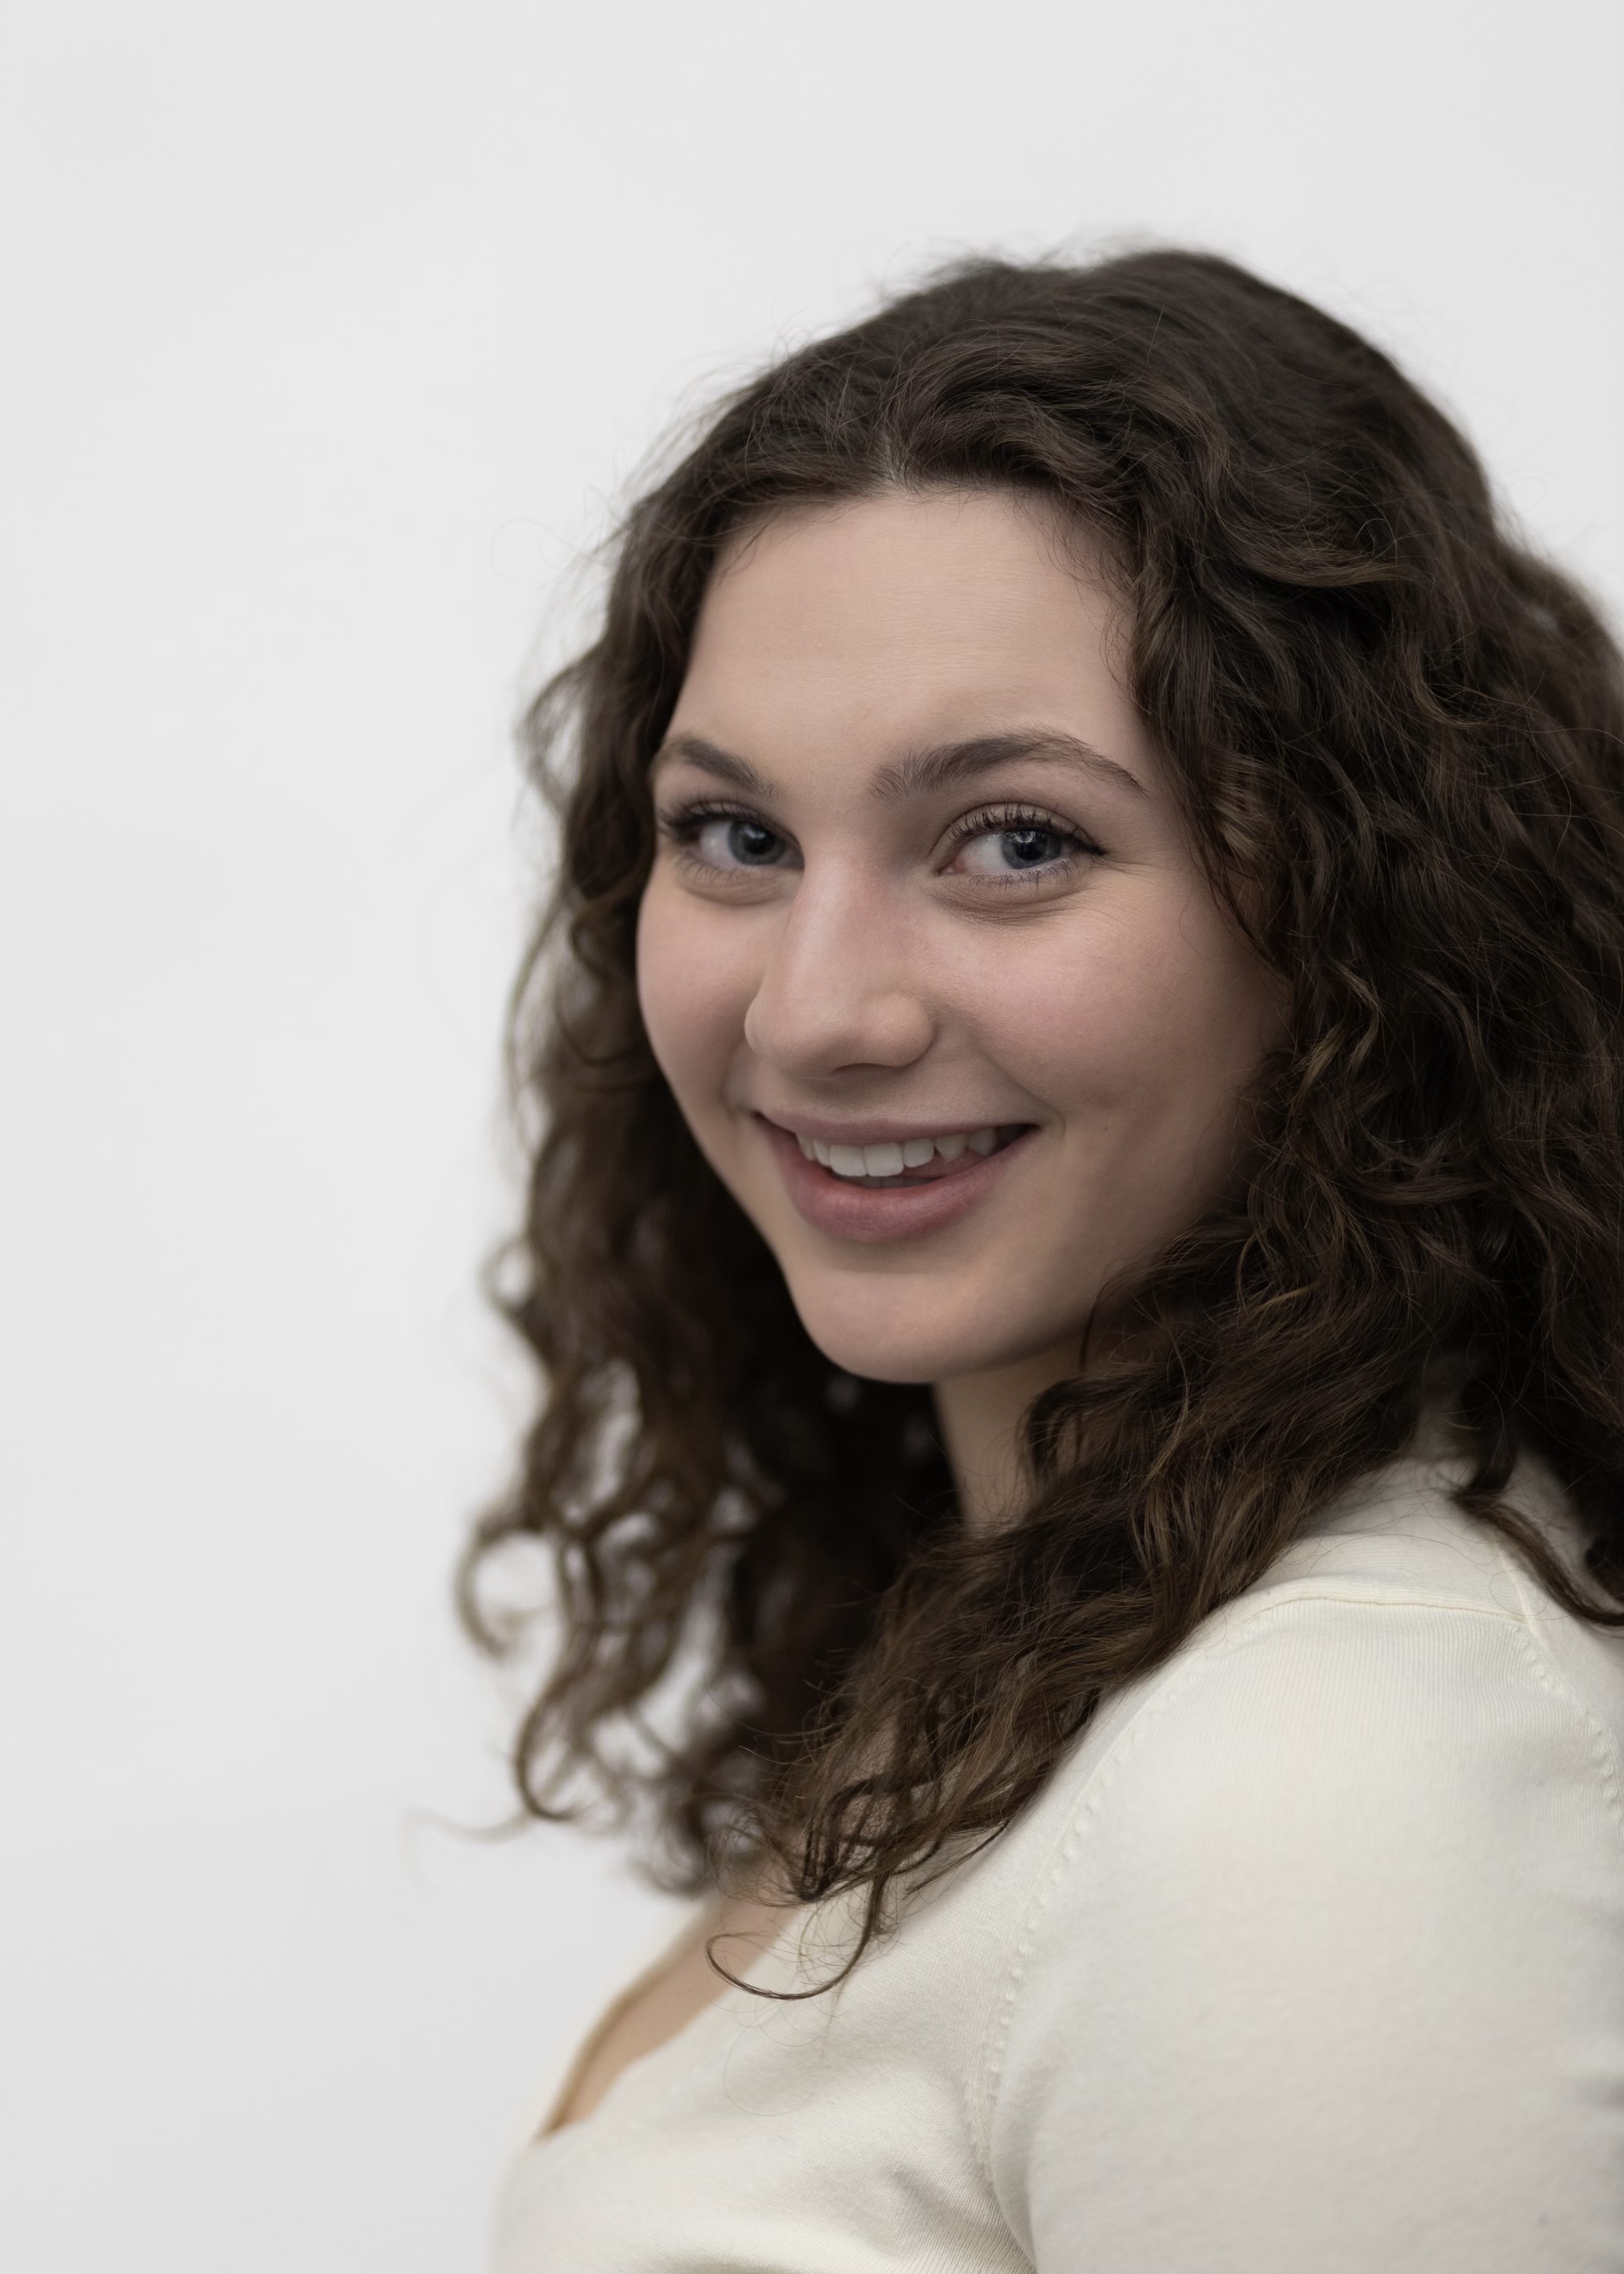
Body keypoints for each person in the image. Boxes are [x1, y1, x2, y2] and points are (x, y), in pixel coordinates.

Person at [467, 251, 1624, 2271]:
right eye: (737, 837)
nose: (816, 1011)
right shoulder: (1055, 1634)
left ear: (1364, 916)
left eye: (1016, 841)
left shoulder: (1324, 1771)